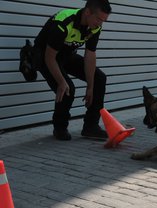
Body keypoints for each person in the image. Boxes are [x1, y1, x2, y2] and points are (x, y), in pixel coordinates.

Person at [32, 0, 112, 140]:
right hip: (45, 56)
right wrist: (61, 82)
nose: (100, 23)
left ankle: (91, 127)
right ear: (87, 12)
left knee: (99, 78)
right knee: (67, 88)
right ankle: (60, 128)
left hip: (66, 54)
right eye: (99, 19)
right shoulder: (63, 23)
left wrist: (90, 86)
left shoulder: (95, 27)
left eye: (104, 20)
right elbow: (50, 58)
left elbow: (90, 54)